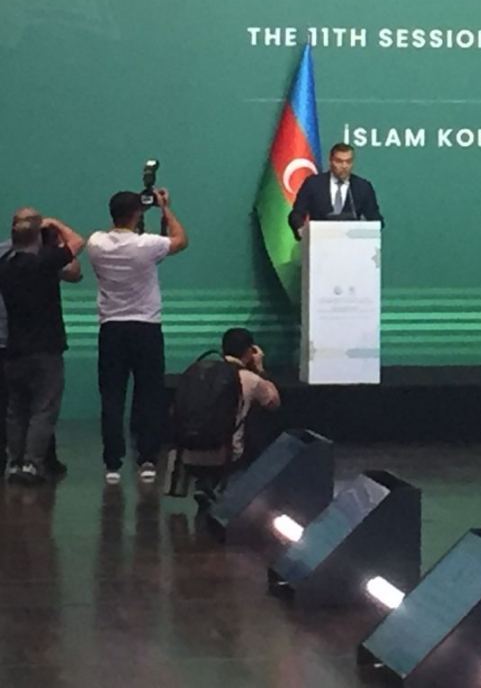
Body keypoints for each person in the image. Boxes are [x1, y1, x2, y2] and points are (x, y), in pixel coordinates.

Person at [87, 188, 188, 484]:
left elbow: (114, 232)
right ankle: (147, 460)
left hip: (111, 329)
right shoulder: (148, 245)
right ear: (137, 214)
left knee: (112, 397)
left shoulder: (96, 243)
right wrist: (165, 208)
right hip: (146, 329)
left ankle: (112, 463)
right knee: (149, 396)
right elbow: (181, 239)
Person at [0, 209, 84, 485]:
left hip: (15, 348)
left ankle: (14, 463)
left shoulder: (5, 266)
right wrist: (56, 225)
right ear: (36, 236)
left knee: (15, 411)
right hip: (45, 347)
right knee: (43, 409)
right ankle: (33, 464)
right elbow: (78, 243)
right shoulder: (45, 262)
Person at [180, 327, 281, 503]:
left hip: (188, 453)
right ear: (250, 352)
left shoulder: (198, 372)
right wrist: (260, 369)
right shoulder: (249, 378)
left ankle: (206, 484)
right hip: (227, 455)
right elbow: (274, 403)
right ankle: (230, 492)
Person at [288, 142, 383, 240]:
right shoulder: (313, 184)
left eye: (348, 161)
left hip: (352, 244)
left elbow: (376, 219)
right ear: (331, 161)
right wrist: (301, 230)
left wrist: (368, 231)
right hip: (319, 241)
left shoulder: (363, 187)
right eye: (339, 161)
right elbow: (297, 214)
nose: (344, 166)